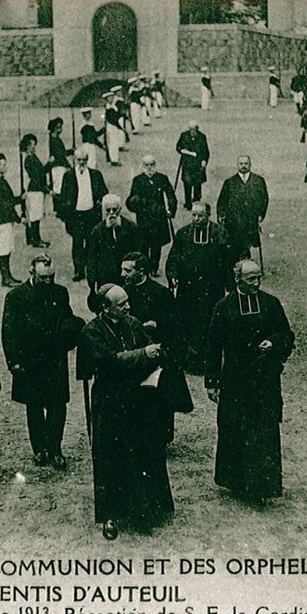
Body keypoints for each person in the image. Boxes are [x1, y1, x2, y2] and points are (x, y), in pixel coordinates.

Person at [77, 284, 174, 540]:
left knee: (146, 451)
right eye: (121, 304)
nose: (128, 307)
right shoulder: (92, 332)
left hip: (138, 398)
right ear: (105, 308)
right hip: (110, 402)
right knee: (110, 457)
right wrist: (143, 354)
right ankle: (110, 514)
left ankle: (149, 508)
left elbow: (151, 348)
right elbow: (109, 362)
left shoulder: (132, 323)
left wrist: (155, 355)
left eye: (127, 302)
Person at [205, 260, 294, 506]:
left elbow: (287, 335)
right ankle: (236, 481)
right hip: (235, 380)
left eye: (258, 277)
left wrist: (274, 343)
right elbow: (213, 346)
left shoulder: (271, 304)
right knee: (236, 428)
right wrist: (212, 382)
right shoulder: (224, 307)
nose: (256, 283)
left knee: (263, 429)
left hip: (264, 378)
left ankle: (261, 486)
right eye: (251, 279)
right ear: (238, 280)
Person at [1, 254, 85, 470]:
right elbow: (9, 332)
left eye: (51, 277)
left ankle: (55, 448)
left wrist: (72, 328)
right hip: (30, 361)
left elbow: (67, 317)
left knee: (58, 405)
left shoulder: (59, 292)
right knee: (34, 406)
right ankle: (40, 449)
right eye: (43, 278)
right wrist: (14, 362)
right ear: (32, 273)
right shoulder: (16, 296)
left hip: (55, 359)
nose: (48, 281)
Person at [121, 252, 193, 446]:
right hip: (137, 353)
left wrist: (157, 324)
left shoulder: (161, 293)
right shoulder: (124, 293)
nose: (123, 274)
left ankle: (162, 437)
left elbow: (175, 325)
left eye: (128, 270)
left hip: (160, 352)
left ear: (141, 271)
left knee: (161, 398)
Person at [166, 202, 233, 375]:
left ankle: (205, 362)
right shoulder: (183, 234)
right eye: (194, 215)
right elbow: (173, 257)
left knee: (207, 324)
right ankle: (188, 360)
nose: (196, 219)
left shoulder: (220, 234)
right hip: (188, 288)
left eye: (200, 216)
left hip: (211, 289)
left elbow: (227, 263)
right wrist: (173, 274)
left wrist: (229, 285)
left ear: (208, 216)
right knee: (187, 321)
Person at [58, 147, 109, 282]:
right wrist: (65, 215)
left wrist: (99, 201)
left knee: (92, 244)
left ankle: (91, 269)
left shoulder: (95, 175)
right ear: (74, 160)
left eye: (84, 160)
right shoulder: (68, 176)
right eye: (79, 160)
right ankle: (78, 270)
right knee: (77, 244)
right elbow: (63, 196)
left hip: (91, 215)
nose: (81, 162)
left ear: (87, 160)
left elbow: (104, 192)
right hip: (76, 216)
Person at [126, 154, 177, 276]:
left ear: (155, 165)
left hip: (158, 219)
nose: (149, 168)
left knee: (156, 245)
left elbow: (171, 195)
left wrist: (171, 210)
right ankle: (145, 269)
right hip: (144, 219)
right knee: (143, 245)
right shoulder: (138, 181)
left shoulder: (162, 178)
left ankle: (154, 267)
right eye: (146, 165)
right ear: (142, 166)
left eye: (151, 165)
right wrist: (136, 204)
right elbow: (131, 200)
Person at [216, 155, 269, 264]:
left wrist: (261, 214)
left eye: (246, 164)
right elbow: (222, 201)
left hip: (251, 219)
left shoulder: (258, 181)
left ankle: (246, 262)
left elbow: (264, 198)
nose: (243, 166)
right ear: (237, 165)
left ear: (250, 165)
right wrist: (221, 215)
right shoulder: (230, 182)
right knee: (234, 244)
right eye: (241, 164)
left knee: (247, 242)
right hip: (234, 220)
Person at [87, 194, 142, 294]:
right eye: (108, 210)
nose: (112, 213)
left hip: (126, 277)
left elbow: (138, 253)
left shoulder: (131, 228)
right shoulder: (97, 231)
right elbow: (92, 258)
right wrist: (92, 283)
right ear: (104, 210)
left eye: (114, 209)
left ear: (120, 209)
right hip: (105, 278)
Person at [0, 153, 25, 287]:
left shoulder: (0, 181)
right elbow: (5, 205)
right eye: (3, 165)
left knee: (7, 248)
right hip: (3, 220)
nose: (6, 166)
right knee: (4, 249)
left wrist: (20, 198)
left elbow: (8, 201)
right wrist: (19, 218)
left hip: (5, 219)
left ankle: (8, 276)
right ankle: (5, 278)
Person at [20, 133, 50, 249]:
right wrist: (49, 164)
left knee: (34, 215)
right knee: (35, 216)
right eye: (32, 145)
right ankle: (35, 239)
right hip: (35, 189)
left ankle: (32, 238)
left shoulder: (31, 158)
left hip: (36, 189)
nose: (34, 147)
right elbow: (39, 174)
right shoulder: (29, 159)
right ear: (27, 146)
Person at [175, 120, 210, 211]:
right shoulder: (184, 135)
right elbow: (178, 147)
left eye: (194, 129)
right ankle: (188, 203)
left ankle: (196, 200)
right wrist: (182, 151)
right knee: (187, 183)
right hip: (187, 164)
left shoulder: (202, 137)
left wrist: (204, 161)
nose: (192, 131)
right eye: (191, 129)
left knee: (197, 183)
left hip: (198, 164)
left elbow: (205, 151)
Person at [102, 92, 123, 165]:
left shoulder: (112, 106)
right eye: (109, 98)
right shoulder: (109, 108)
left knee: (114, 142)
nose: (111, 99)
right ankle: (114, 159)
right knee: (112, 143)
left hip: (113, 126)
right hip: (111, 126)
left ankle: (114, 158)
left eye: (112, 97)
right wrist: (119, 126)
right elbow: (113, 119)